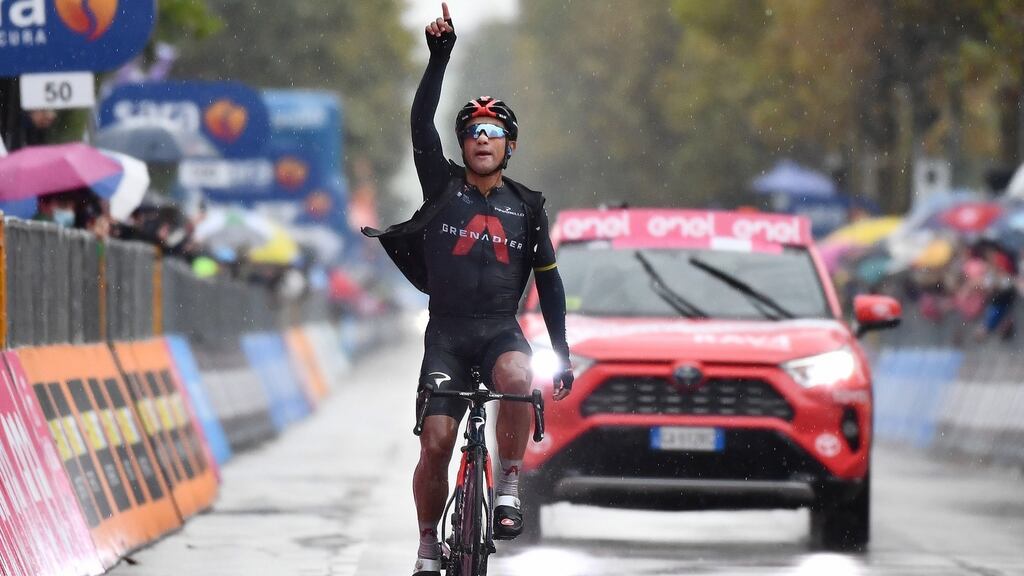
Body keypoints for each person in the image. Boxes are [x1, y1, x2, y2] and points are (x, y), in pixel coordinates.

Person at [361, 4, 573, 575]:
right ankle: (429, 543)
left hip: (501, 330)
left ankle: (506, 484)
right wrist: (439, 57)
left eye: (494, 132)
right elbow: (420, 124)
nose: (482, 139)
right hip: (448, 337)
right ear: (462, 145)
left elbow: (550, 287)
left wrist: (565, 351)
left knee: (518, 378)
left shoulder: (528, 208)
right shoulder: (443, 184)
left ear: (510, 146)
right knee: (434, 443)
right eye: (473, 132)